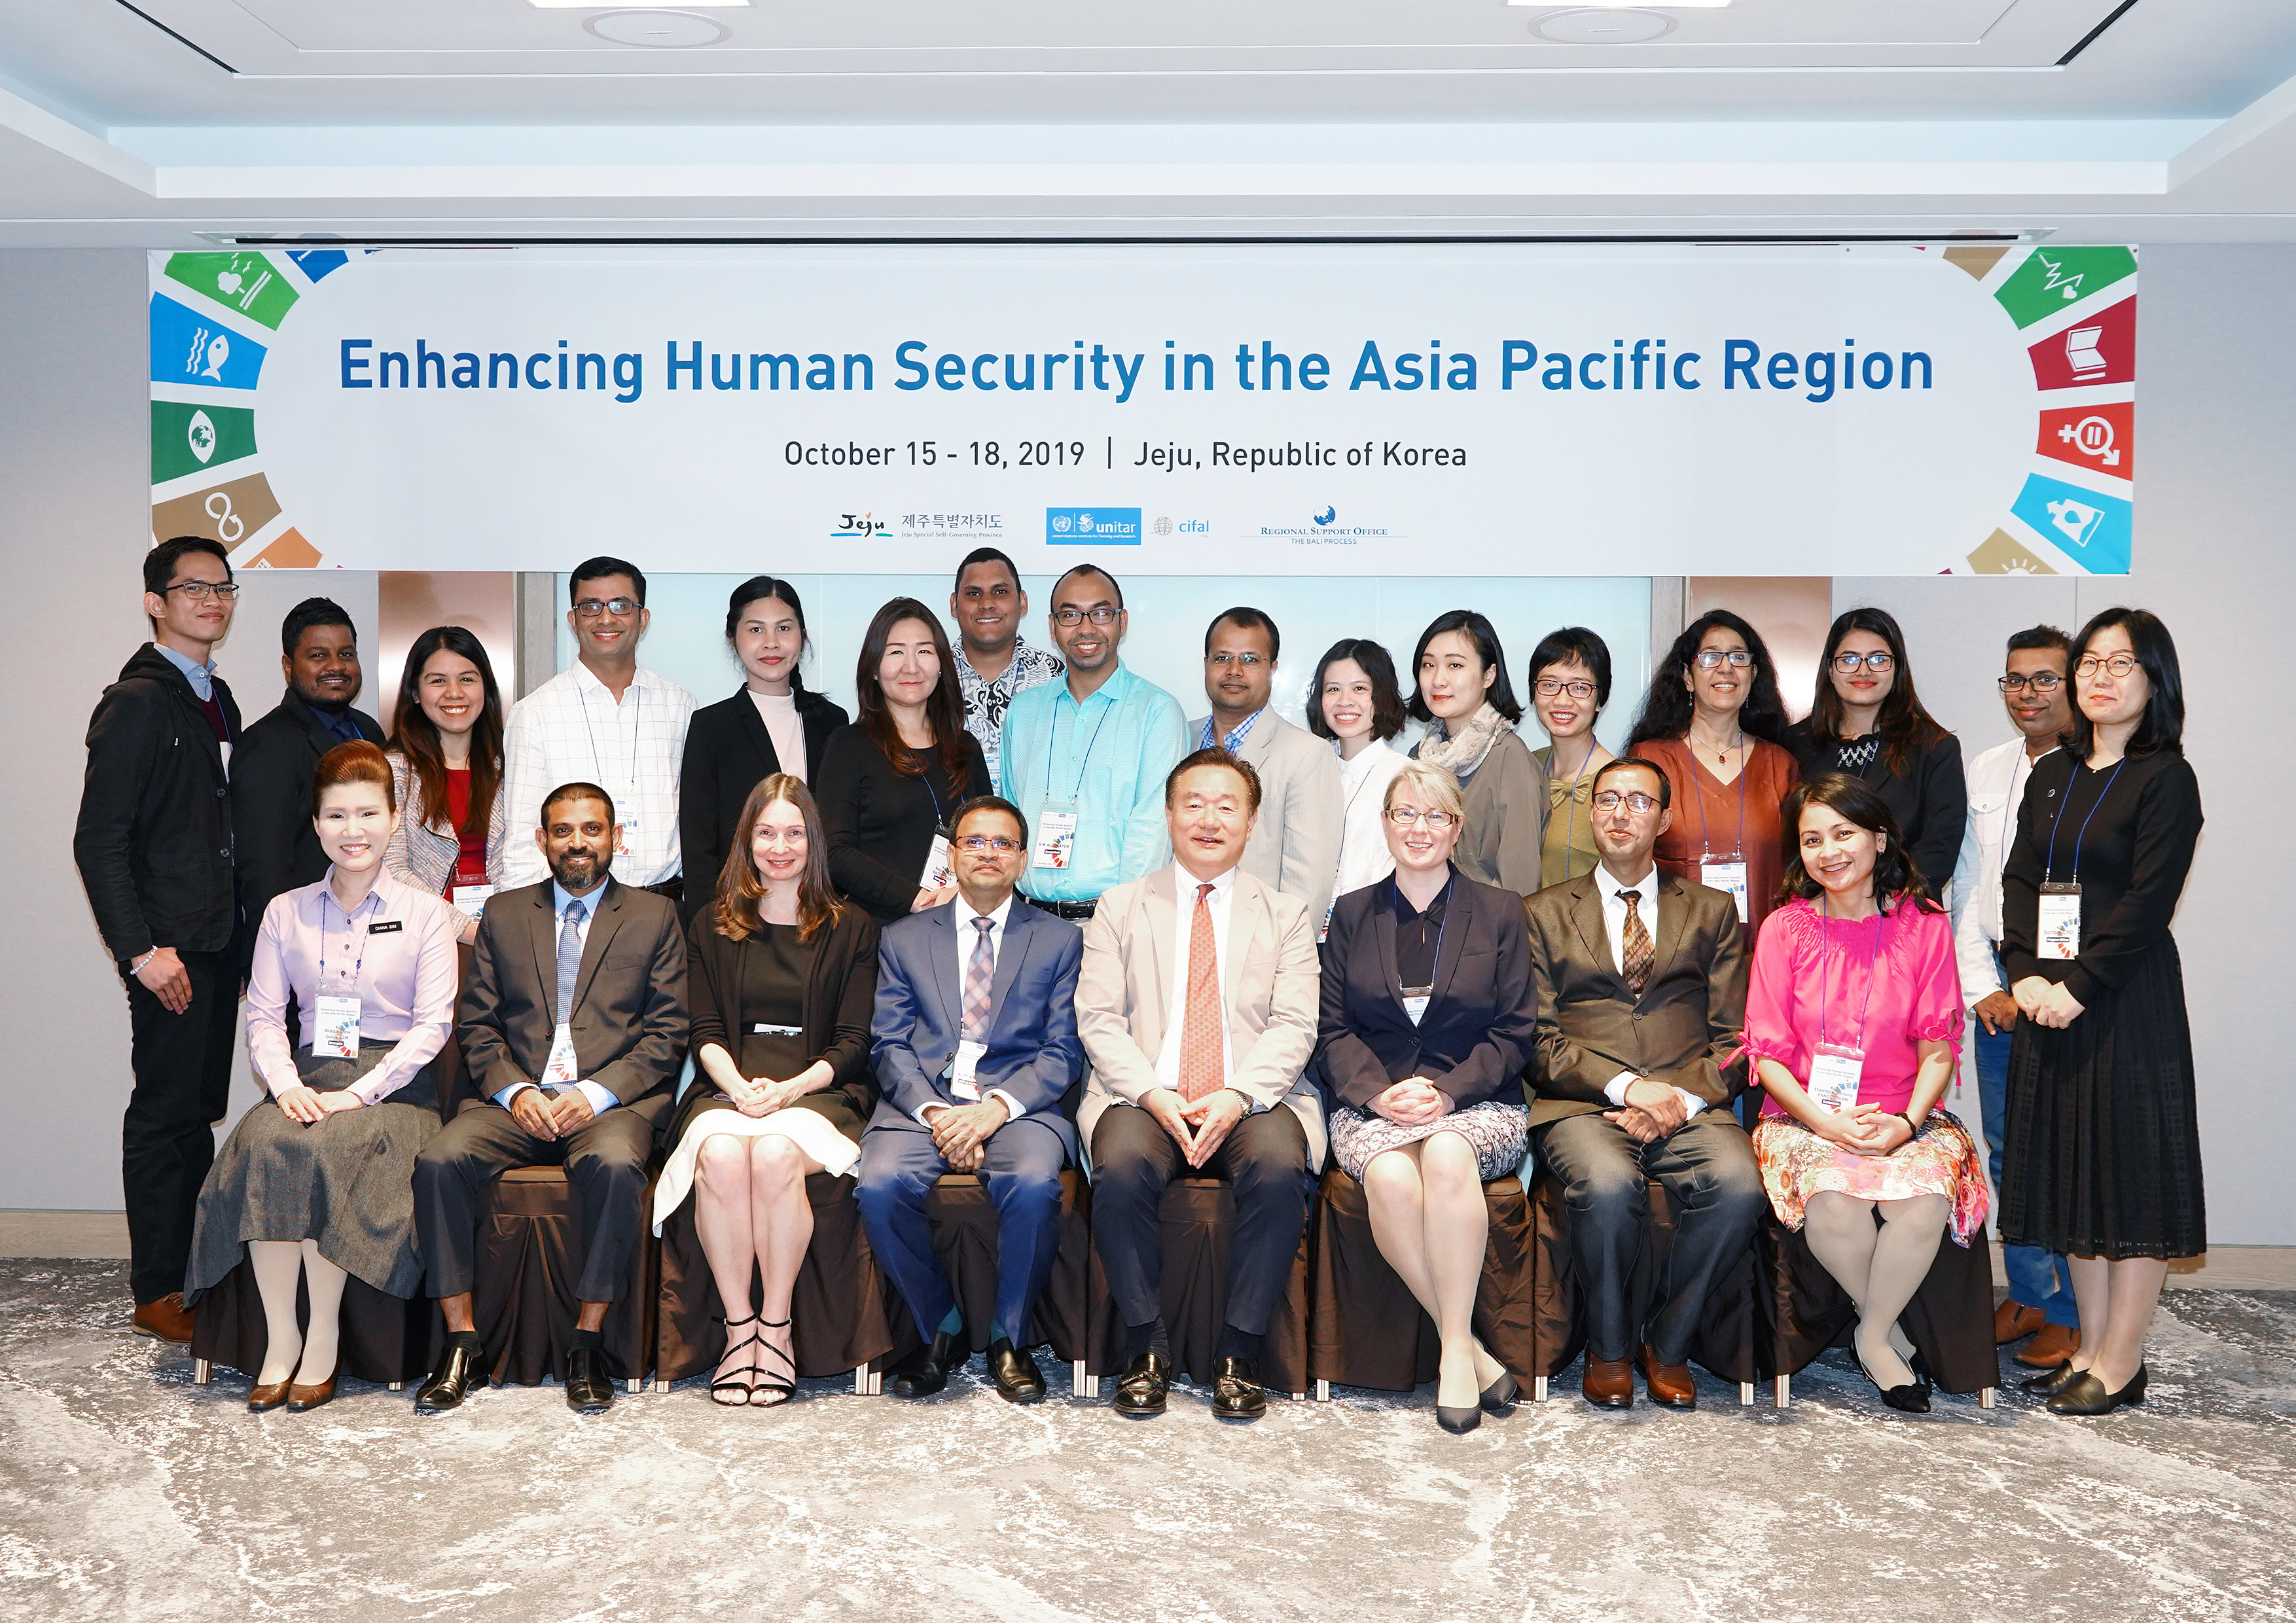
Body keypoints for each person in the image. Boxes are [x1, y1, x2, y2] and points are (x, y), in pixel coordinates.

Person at [185, 742, 458, 1412]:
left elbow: (433, 1026)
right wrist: (286, 1087)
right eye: (336, 815)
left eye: (368, 813)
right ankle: (282, 1340)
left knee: (329, 1145)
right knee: (266, 1140)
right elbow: (263, 1017)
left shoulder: (426, 912)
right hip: (307, 1076)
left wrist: (358, 1093)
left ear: (393, 819)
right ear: (316, 824)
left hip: (396, 1086)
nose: (352, 830)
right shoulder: (286, 912)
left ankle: (324, 1339)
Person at [410, 781, 687, 1415]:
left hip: (608, 1104)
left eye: (592, 829)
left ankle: (587, 1342)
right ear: (542, 840)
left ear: (617, 838)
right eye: (563, 831)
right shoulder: (505, 914)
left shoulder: (655, 916)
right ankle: (461, 1341)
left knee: (615, 1166)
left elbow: (668, 1033)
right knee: (438, 1161)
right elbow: (477, 1024)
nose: (577, 843)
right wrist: (515, 1091)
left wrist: (594, 1094)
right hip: (518, 1101)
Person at [1076, 748, 1321, 1423]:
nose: (1209, 820)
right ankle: (1145, 1346)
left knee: (1278, 1167)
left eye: (1226, 806)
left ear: (1250, 822)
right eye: (1194, 804)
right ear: (1168, 815)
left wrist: (1237, 1095)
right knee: (1121, 1166)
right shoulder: (1120, 906)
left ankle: (1238, 1352)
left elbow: (1296, 1023)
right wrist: (1153, 1094)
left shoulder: (1286, 913)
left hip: (1252, 1091)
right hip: (1142, 1089)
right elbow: (1099, 1018)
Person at [2001, 609, 2204, 1417]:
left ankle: (2120, 1361)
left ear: (2154, 679)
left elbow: (2149, 901)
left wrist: (2077, 985)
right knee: (2071, 1178)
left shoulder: (2166, 778)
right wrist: (2023, 972)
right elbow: (2020, 878)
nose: (2099, 677)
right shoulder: (2053, 770)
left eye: (2120, 663)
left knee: (2130, 1181)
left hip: (2122, 1000)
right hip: (2047, 998)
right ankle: (2085, 1347)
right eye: (2089, 661)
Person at [1522, 757, 1764, 1410]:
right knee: (1607, 1186)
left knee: (1740, 1186)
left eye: (1637, 800)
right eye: (1607, 799)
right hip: (1583, 1103)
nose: (1620, 813)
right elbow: (1537, 1040)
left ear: (1664, 818)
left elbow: (1736, 1039)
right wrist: (1628, 1087)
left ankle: (1667, 1340)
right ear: (1590, 813)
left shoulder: (1712, 910)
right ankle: (1608, 1349)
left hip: (1690, 1102)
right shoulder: (1542, 913)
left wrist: (1676, 1098)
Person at [1743, 774, 1986, 1416]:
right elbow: (1767, 1056)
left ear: (1879, 839)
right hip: (1803, 1115)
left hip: (1904, 1112)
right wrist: (1825, 1123)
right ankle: (1887, 1336)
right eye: (1812, 839)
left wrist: (1906, 1122)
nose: (1829, 851)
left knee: (1924, 1202)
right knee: (1833, 1205)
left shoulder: (1923, 924)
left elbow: (1939, 1047)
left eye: (1843, 833)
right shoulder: (1784, 929)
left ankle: (1872, 1335)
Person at [1318, 759, 1537, 1433]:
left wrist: (1447, 1092)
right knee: (1389, 1174)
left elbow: (1515, 1031)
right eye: (1405, 813)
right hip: (1374, 1101)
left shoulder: (1500, 911)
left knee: (1444, 1154)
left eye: (1435, 815)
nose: (1419, 828)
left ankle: (1451, 1354)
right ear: (1385, 824)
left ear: (1457, 827)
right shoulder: (1352, 912)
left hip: (1477, 1100)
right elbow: (1333, 1029)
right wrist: (1378, 1094)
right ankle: (1465, 1347)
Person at [651, 775, 880, 1407]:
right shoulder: (711, 924)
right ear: (747, 841)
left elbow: (854, 1042)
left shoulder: (853, 927)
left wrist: (788, 1091)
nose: (780, 848)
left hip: (819, 1091)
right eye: (767, 833)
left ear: (815, 841)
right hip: (729, 1087)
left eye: (794, 834)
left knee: (775, 1154)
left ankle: (775, 1328)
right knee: (723, 1155)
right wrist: (739, 1089)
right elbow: (704, 1032)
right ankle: (738, 1330)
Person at [73, 537, 246, 1347]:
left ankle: (189, 1273)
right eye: (193, 588)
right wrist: (141, 952)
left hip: (215, 944)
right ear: (156, 602)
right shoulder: (138, 701)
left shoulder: (216, 697)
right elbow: (98, 840)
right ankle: (155, 1289)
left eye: (223, 587)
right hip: (169, 952)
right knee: (163, 1116)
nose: (212, 600)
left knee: (195, 1113)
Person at [857, 795, 1085, 1404]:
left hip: (1018, 1106)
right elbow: (889, 1045)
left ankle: (1010, 1336)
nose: (988, 853)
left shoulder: (1059, 940)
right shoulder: (903, 938)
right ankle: (943, 1327)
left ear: (1023, 859)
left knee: (1035, 1184)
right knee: (878, 1186)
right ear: (953, 855)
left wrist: (994, 1111)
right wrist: (938, 1115)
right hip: (923, 1105)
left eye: (1003, 843)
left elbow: (1063, 1050)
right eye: (975, 842)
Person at [1948, 625, 2081, 1370]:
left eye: (2044, 679)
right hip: (1999, 977)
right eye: (2014, 680)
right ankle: (2029, 1290)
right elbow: (1969, 885)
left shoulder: (2102, 770)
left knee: (2070, 1149)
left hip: (2074, 984)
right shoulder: (1988, 768)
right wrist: (1981, 988)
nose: (2027, 694)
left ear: (2075, 683)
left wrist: (2066, 986)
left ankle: (2070, 1310)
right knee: (2010, 1149)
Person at [997, 564, 1189, 923]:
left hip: (1113, 923)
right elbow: (1008, 817)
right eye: (1070, 615)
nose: (1086, 628)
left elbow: (1151, 831)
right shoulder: (1023, 712)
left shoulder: (1156, 712)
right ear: (1053, 627)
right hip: (1028, 921)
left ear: (1122, 622)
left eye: (1101, 613)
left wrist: (1123, 924)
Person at [499, 557, 696, 901]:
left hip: (667, 904)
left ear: (643, 618)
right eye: (591, 606)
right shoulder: (534, 713)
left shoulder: (680, 705)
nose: (606, 618)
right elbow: (522, 836)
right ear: (573, 620)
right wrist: (523, 920)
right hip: (574, 905)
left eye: (621, 605)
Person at [679, 577, 848, 923]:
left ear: (802, 635)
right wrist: (708, 931)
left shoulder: (832, 721)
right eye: (756, 630)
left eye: (784, 628)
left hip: (818, 912)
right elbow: (698, 846)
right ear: (733, 639)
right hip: (739, 916)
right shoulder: (711, 726)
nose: (772, 643)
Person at [1627, 609, 1801, 938]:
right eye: (1710, 656)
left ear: (1753, 674)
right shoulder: (1650, 759)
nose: (1726, 668)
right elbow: (1627, 858)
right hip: (1673, 951)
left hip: (1762, 950)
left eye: (1738, 657)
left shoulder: (1781, 765)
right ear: (1688, 677)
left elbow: (1800, 867)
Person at [817, 599, 988, 927]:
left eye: (924, 651)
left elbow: (989, 837)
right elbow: (833, 850)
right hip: (878, 931)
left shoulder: (965, 748)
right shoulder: (848, 746)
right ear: (874, 668)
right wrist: (915, 899)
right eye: (896, 652)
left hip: (960, 925)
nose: (911, 667)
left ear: (941, 664)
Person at [232, 597, 387, 956]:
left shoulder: (369, 731)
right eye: (318, 655)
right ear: (288, 666)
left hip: (373, 936)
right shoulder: (267, 743)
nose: (336, 666)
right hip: (307, 944)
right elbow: (263, 869)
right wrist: (281, 955)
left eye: (346, 654)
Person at [1785, 607, 1967, 900]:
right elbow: (1787, 845)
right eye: (1849, 659)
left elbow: (1938, 849)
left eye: (1879, 659)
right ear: (1830, 669)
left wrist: (1875, 906)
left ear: (1897, 669)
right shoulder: (1793, 746)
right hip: (1814, 910)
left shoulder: (1935, 748)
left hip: (1900, 911)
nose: (1864, 671)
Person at [1191, 607, 1344, 923]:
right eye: (1222, 658)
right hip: (1174, 936)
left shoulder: (1308, 755)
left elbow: (1307, 891)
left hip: (1256, 943)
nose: (1234, 670)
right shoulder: (1178, 738)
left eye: (1250, 659)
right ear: (1206, 665)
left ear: (1273, 668)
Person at [1405, 610, 1545, 897]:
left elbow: (1520, 885)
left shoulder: (1509, 758)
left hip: (1484, 922)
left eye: (1455, 665)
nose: (1438, 680)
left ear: (1488, 675)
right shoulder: (1418, 758)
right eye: (1428, 665)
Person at [383, 626, 508, 946]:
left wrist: (507, 932)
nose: (454, 693)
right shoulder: (393, 771)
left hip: (503, 937)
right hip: (422, 941)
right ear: (415, 693)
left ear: (485, 687)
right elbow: (392, 870)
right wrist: (468, 931)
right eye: (438, 681)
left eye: (467, 679)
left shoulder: (510, 768)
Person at [1306, 637, 1410, 923]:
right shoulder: (1311, 771)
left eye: (1360, 689)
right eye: (1333, 689)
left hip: (1378, 928)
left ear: (1382, 696)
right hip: (1309, 932)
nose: (1344, 701)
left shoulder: (1405, 776)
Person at [948, 546, 1062, 784]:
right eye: (973, 594)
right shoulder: (932, 675)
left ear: (1022, 602)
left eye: (1000, 592)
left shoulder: (1057, 675)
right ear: (954, 605)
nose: (986, 604)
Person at [1526, 626, 1616, 888]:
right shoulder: (1526, 766)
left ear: (1600, 699)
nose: (1562, 701)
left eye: (1579, 687)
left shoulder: (1618, 782)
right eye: (1550, 685)